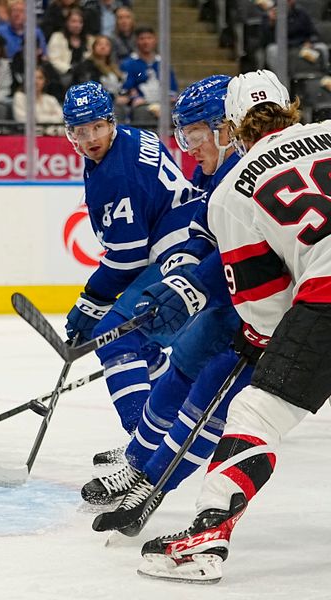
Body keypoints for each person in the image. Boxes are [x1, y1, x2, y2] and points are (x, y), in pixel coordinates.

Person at [135, 69, 327, 584]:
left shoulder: (232, 192)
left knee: (254, 411)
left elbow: (266, 309)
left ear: (233, 125)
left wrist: (258, 340)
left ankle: (204, 541)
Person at [85, 75, 252, 535]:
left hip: (263, 310)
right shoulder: (216, 169)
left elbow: (251, 255)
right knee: (180, 367)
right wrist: (185, 272)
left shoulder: (246, 173)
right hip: (229, 296)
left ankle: (154, 485)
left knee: (206, 399)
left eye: (196, 135)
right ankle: (139, 464)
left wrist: (195, 284)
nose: (190, 146)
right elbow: (203, 228)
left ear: (225, 128)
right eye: (186, 135)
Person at [61, 81, 197, 481]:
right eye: (79, 132)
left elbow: (128, 257)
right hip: (186, 240)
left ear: (111, 122)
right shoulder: (133, 139)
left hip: (182, 254)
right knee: (141, 342)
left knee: (115, 336)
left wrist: (91, 302)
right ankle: (163, 426)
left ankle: (144, 443)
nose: (89, 140)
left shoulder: (114, 176)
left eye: (96, 128)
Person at [117, 26, 178, 118]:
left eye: (149, 38)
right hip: (141, 105)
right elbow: (126, 88)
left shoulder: (163, 63)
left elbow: (172, 88)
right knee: (141, 112)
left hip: (163, 104)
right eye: (142, 39)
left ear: (155, 40)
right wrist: (134, 98)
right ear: (136, 41)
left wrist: (169, 99)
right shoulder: (128, 64)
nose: (146, 42)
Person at [47, 7, 93, 77]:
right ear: (67, 23)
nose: (77, 25)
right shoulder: (57, 37)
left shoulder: (89, 40)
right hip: (64, 75)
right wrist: (70, 69)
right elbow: (53, 60)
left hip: (85, 76)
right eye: (73, 21)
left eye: (80, 22)